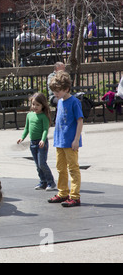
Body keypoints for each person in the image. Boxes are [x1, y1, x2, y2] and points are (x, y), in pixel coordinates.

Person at [48, 71, 83, 207]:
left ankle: (75, 196)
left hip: (70, 142)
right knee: (60, 168)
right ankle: (63, 193)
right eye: (54, 91)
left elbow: (79, 121)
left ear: (66, 89)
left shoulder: (74, 102)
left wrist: (76, 140)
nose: (55, 94)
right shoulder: (60, 101)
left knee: (73, 168)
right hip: (60, 141)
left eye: (58, 91)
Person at [17, 93, 56, 191]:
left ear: (43, 105)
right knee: (38, 165)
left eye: (38, 105)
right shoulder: (29, 115)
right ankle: (43, 182)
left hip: (41, 143)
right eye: (33, 104)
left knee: (42, 163)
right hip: (32, 144)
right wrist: (22, 138)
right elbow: (26, 128)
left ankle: (51, 182)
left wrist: (43, 140)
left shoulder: (44, 116)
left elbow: (45, 130)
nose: (35, 107)